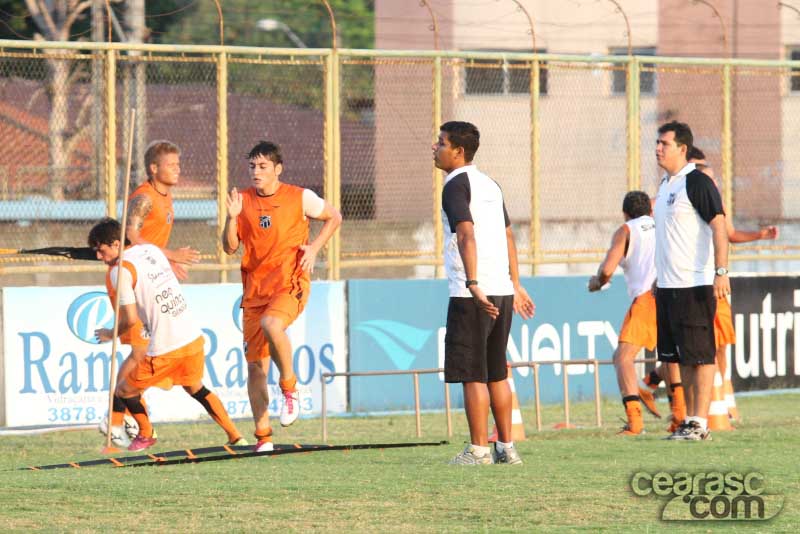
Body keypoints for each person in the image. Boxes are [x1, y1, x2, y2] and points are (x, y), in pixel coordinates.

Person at [641, 146, 778, 424]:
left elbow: (726, 232)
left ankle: (718, 406)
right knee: (685, 352)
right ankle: (682, 410)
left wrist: (757, 237)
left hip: (707, 284)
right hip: (677, 285)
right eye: (705, 171)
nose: (710, 178)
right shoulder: (675, 189)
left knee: (715, 346)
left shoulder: (704, 194)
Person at [222, 141, 341, 452]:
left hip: (290, 282)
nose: (256, 172)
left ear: (277, 169)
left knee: (272, 324)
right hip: (254, 289)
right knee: (254, 367)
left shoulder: (299, 197)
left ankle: (290, 389)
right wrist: (231, 217)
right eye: (252, 167)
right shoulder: (242, 200)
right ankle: (263, 438)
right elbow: (229, 247)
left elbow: (334, 217)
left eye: (262, 167)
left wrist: (314, 248)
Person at [91, 218, 245, 452]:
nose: (99, 258)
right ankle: (236, 437)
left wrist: (109, 333)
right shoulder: (150, 250)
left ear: (115, 244)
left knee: (125, 390)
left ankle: (146, 433)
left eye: (101, 252)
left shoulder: (119, 271)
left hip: (165, 346)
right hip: (192, 337)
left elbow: (130, 319)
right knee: (196, 388)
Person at [434, 121, 535, 465]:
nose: (435, 148)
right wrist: (516, 284)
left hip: (473, 294)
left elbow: (466, 233)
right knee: (496, 371)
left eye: (441, 143)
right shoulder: (490, 184)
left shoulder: (455, 185)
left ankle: (478, 450)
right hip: (503, 290)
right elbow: (508, 236)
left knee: (472, 373)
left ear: (458, 151)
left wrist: (473, 283)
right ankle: (506, 447)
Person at [101, 140, 202, 446]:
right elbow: (130, 233)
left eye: (178, 163)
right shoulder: (144, 196)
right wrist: (170, 255)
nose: (177, 168)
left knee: (143, 351)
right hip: (130, 278)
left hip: (149, 277)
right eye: (171, 164)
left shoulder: (166, 196)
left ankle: (122, 414)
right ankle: (116, 415)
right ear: (154, 169)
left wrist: (166, 266)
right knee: (140, 351)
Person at [653, 121, 729, 441]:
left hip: (694, 285)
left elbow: (719, 226)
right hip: (668, 286)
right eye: (657, 143)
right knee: (680, 356)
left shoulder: (696, 182)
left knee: (701, 355)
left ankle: (701, 421)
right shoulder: (664, 185)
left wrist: (721, 272)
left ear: (682, 149)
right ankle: (688, 420)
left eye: (664, 144)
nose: (658, 149)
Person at [589, 191, 657, 435]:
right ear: (650, 210)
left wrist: (597, 282)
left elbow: (607, 269)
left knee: (623, 357)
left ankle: (635, 422)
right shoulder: (662, 223)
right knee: (673, 357)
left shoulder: (626, 230)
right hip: (672, 293)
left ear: (625, 213)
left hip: (647, 298)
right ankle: (681, 416)